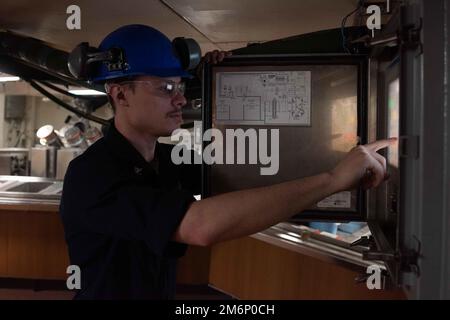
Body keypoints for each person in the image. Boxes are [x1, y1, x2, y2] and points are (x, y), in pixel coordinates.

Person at [59, 24, 396, 299]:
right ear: (120, 94)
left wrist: (227, 83)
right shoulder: (91, 174)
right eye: (164, 87)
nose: (179, 98)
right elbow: (198, 226)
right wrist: (333, 179)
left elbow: (241, 172)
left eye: (180, 85)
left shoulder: (163, 160)